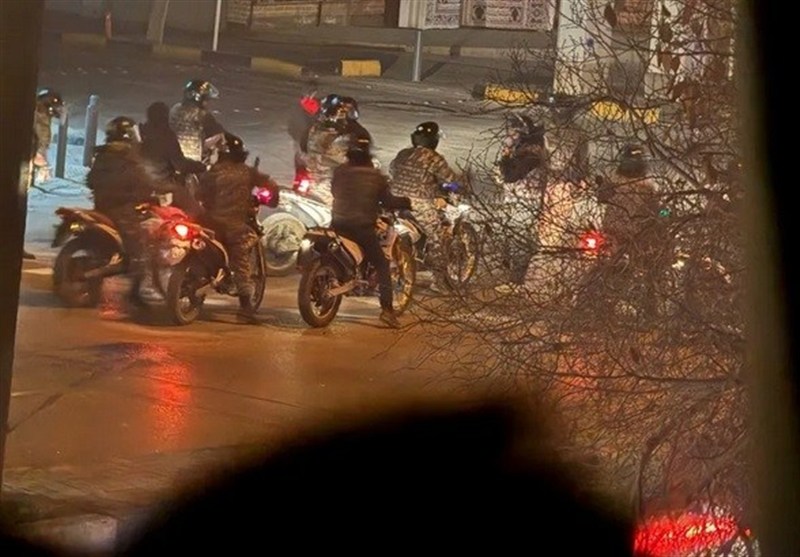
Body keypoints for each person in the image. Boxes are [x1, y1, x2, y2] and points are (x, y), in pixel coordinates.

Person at [195, 133, 279, 324]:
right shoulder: (247, 172)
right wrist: (272, 200)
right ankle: (245, 308)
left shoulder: (210, 173)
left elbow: (199, 195)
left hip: (208, 226)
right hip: (234, 227)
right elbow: (272, 186)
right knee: (242, 262)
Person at [331, 134, 410, 329]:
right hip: (361, 227)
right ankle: (387, 311)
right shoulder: (375, 177)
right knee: (382, 264)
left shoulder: (340, 171)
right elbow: (388, 200)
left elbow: (334, 191)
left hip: (337, 224)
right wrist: (406, 202)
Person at [582, 144, 666, 319]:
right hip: (626, 237)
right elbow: (658, 211)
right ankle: (651, 312)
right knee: (649, 273)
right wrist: (665, 215)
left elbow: (601, 197)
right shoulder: (648, 187)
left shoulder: (619, 182)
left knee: (648, 273)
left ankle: (649, 311)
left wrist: (665, 214)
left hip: (627, 237)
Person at [86, 116, 160, 310]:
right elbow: (143, 183)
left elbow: (90, 181)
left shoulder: (102, 155)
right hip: (122, 212)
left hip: (101, 208)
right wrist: (151, 194)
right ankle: (134, 294)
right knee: (141, 251)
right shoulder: (129, 158)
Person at [389, 121, 459, 291]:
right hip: (419, 204)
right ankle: (439, 281)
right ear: (434, 140)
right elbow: (450, 179)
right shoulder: (434, 158)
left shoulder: (403, 154)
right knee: (438, 237)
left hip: (394, 201)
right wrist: (456, 187)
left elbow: (392, 171)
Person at [493, 113, 549, 293]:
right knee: (512, 241)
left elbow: (510, 175)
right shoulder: (523, 151)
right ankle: (518, 278)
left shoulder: (530, 153)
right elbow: (501, 177)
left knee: (520, 242)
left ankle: (518, 281)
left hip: (526, 203)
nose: (509, 136)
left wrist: (505, 157)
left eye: (514, 132)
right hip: (516, 201)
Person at [139, 101, 207, 219]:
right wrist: (201, 166)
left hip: (141, 184)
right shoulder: (166, 135)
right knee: (197, 212)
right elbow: (181, 165)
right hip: (163, 185)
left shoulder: (142, 133)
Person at [302, 94, 370, 205]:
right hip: (333, 183)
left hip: (313, 176)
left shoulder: (315, 127)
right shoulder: (348, 135)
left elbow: (303, 147)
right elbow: (361, 155)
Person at [169, 79, 225, 164]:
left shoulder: (175, 109)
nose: (208, 104)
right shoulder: (202, 115)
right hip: (191, 163)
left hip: (171, 158)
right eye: (206, 100)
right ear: (199, 99)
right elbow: (217, 133)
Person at [32, 87, 64, 185]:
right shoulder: (40, 109)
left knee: (40, 154)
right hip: (39, 136)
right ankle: (42, 175)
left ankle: (43, 175)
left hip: (41, 136)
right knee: (39, 156)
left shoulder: (43, 108)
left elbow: (60, 117)